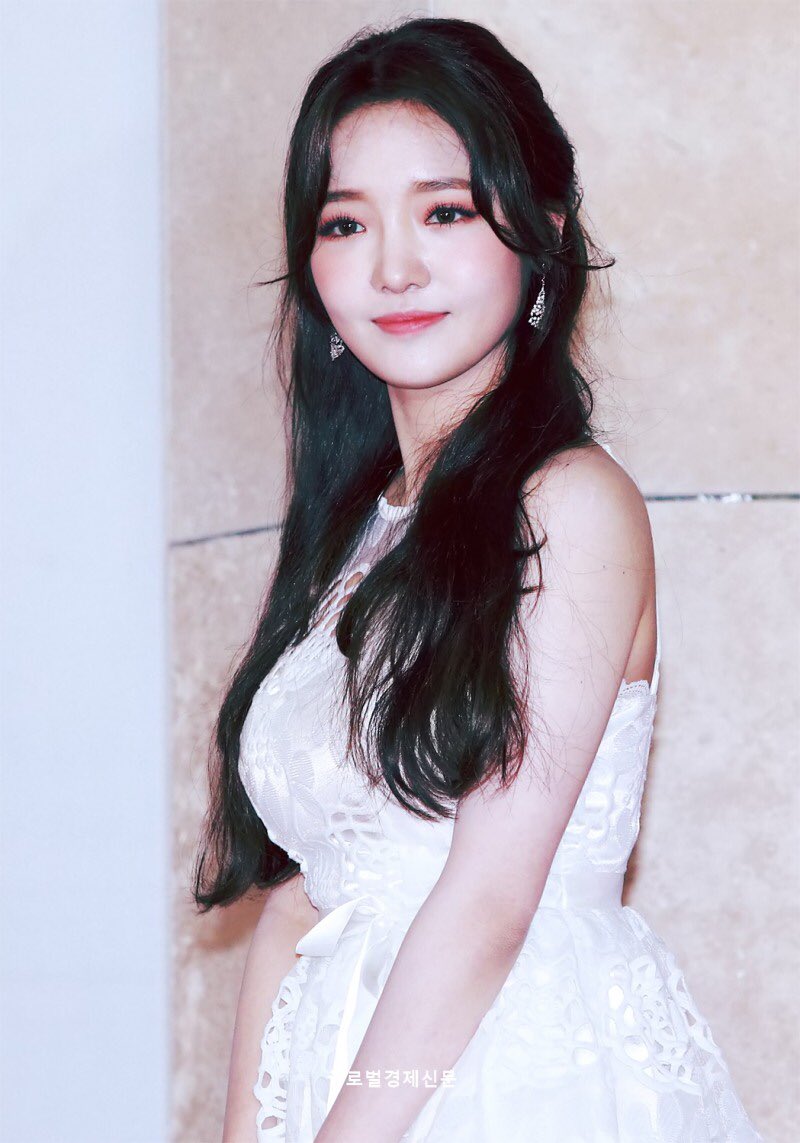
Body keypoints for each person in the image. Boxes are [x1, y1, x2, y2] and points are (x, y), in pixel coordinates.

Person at [192, 17, 763, 1143]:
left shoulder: (571, 504)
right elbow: (301, 893)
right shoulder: (358, 536)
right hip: (353, 1078)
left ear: (541, 232)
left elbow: (488, 900)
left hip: (510, 1073)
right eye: (345, 223)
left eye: (444, 212)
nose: (392, 267)